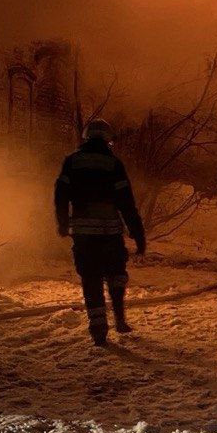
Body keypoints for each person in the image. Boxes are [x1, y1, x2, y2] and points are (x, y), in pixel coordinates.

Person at [54, 118, 146, 346]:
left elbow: (60, 194)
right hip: (109, 233)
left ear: (86, 137)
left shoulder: (71, 161)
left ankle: (98, 329)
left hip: (83, 234)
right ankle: (120, 318)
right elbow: (126, 202)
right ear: (107, 140)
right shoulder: (113, 164)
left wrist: (63, 223)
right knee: (116, 274)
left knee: (91, 278)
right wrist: (137, 232)